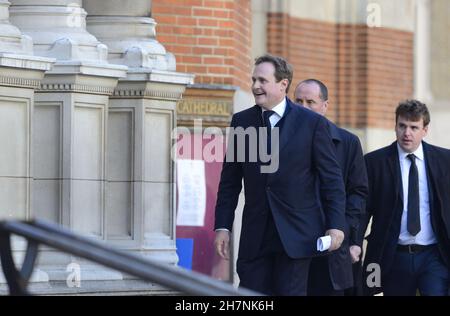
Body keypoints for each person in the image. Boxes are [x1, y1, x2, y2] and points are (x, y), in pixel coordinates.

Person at [213, 54, 346, 296]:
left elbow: (332, 180)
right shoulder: (242, 122)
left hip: (297, 236)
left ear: (283, 84)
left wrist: (336, 225)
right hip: (255, 237)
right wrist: (222, 226)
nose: (255, 86)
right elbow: (230, 181)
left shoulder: (312, 123)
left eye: (262, 80)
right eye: (253, 80)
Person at [361, 100, 450, 296]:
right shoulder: (374, 162)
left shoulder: (445, 160)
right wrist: (354, 243)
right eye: (402, 126)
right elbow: (363, 209)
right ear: (395, 127)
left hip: (433, 255)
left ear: (425, 130)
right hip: (390, 255)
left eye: (413, 127)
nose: (407, 133)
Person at [294, 79, 368, 296]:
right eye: (298, 101)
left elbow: (358, 192)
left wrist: (344, 229)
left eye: (311, 102)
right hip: (293, 244)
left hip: (332, 244)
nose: (303, 107)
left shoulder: (348, 142)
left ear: (325, 106)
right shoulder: (280, 139)